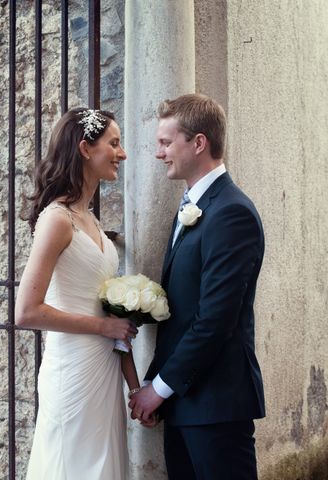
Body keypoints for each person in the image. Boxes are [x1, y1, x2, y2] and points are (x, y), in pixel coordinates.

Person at [129, 94, 266, 479]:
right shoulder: (193, 205)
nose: (159, 153)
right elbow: (181, 315)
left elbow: (214, 320)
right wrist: (159, 384)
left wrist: (159, 388)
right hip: (187, 403)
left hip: (217, 406)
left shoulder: (231, 212)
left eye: (166, 142)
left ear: (199, 143)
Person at [16, 107, 140, 480]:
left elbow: (111, 320)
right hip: (72, 370)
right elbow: (27, 311)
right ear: (86, 149)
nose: (122, 153)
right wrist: (104, 329)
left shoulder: (91, 219)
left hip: (104, 372)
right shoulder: (57, 220)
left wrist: (135, 388)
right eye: (114, 144)